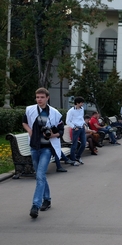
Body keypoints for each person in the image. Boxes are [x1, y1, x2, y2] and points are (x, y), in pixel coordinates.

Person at [22, 87, 65, 218]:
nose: (39, 100)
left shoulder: (55, 113)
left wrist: (52, 135)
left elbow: (61, 131)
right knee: (40, 176)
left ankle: (35, 205)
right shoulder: (30, 110)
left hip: (47, 148)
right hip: (34, 146)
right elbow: (24, 122)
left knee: (40, 174)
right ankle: (47, 199)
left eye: (42, 97)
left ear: (47, 98)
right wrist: (29, 130)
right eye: (37, 97)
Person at [66, 96, 86, 164]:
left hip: (82, 128)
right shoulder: (71, 111)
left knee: (83, 143)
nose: (82, 104)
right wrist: (74, 127)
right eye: (81, 103)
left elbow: (81, 117)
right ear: (77, 103)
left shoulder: (82, 109)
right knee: (74, 144)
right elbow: (67, 121)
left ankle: (78, 156)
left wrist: (83, 123)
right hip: (76, 129)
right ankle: (72, 159)